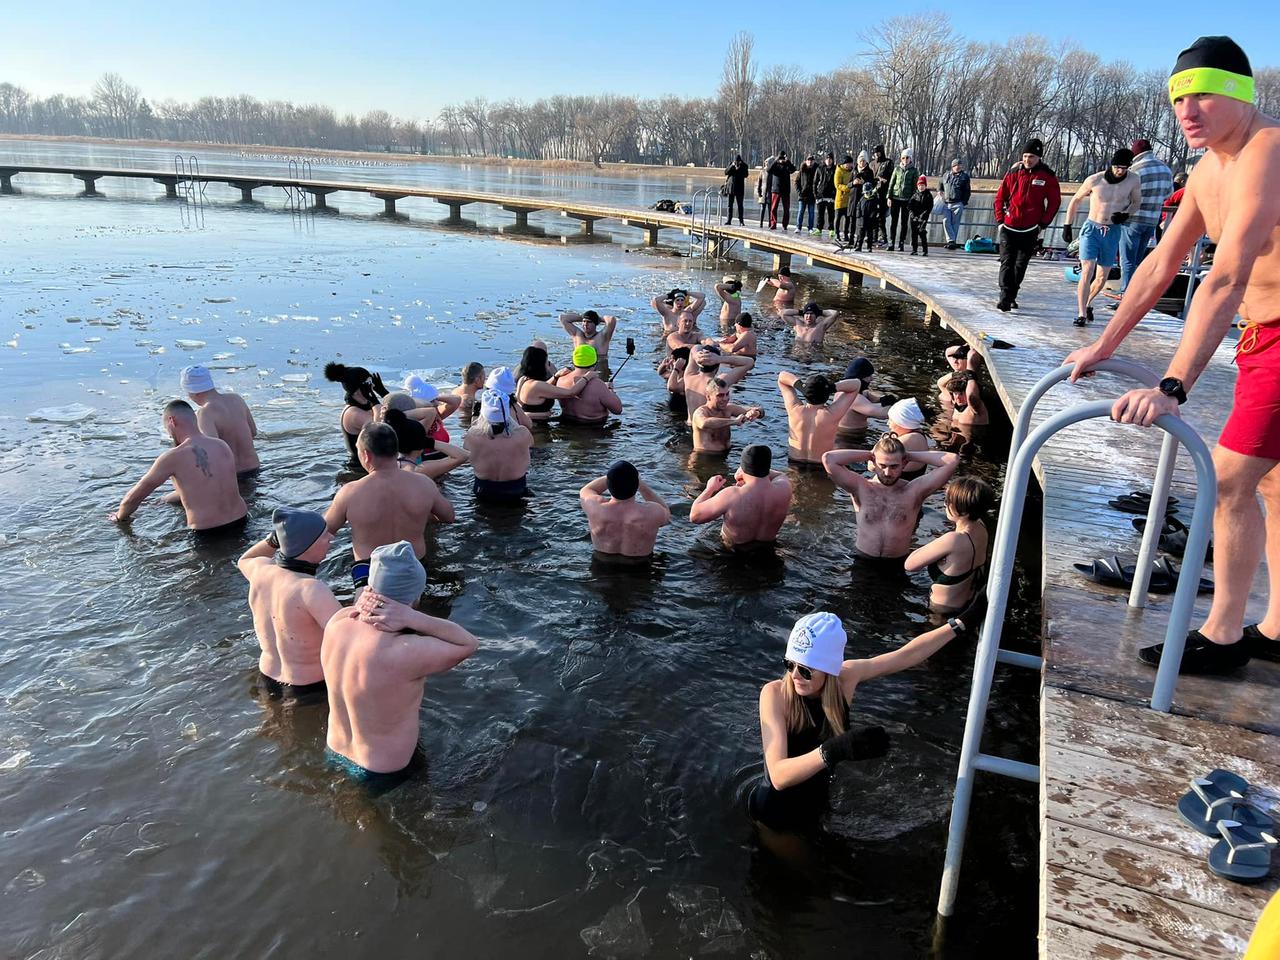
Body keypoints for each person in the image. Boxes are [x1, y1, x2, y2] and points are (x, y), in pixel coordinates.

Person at [1065, 35, 1280, 674]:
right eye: (1180, 98)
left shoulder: (1267, 151)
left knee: (1228, 482)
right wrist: (1103, 345)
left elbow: (1227, 274)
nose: (1188, 110)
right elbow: (1162, 263)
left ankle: (1222, 637)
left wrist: (1174, 385)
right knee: (1271, 482)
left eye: (1205, 94)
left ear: (1242, 92)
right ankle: (1275, 629)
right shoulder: (1210, 166)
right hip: (1261, 337)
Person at [749, 608, 982, 833]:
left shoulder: (845, 678)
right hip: (775, 811)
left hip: (817, 804)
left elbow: (906, 655)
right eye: (789, 664)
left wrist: (961, 622)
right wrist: (834, 750)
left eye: (806, 670)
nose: (795, 675)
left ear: (829, 668)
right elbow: (778, 776)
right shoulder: (775, 694)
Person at [322, 540, 479, 787]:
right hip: (383, 769)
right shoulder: (404, 652)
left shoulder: (337, 624)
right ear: (415, 598)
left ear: (370, 590)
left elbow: (359, 607)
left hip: (334, 750)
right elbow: (468, 644)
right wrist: (413, 618)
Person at [324, 422, 454, 595]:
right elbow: (449, 516)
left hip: (369, 570)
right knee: (412, 613)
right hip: (413, 563)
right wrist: (420, 514)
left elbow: (325, 531)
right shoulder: (424, 484)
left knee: (367, 614)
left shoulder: (350, 492)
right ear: (395, 449)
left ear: (366, 455)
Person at [237, 507, 340, 705]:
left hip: (267, 677)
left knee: (276, 730)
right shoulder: (310, 589)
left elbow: (245, 559)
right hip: (309, 686)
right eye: (324, 535)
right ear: (308, 545)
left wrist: (274, 540)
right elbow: (348, 634)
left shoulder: (260, 572)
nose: (331, 539)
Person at [110, 399, 248, 535]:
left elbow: (134, 497)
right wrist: (163, 500)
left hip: (208, 532)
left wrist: (119, 517)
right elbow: (210, 486)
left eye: (166, 429)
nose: (169, 435)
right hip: (242, 520)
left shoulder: (173, 457)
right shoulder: (221, 445)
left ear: (172, 421)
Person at [821, 435, 959, 558]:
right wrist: (870, 454)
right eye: (882, 465)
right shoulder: (861, 488)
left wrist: (908, 455)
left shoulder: (914, 491)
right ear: (874, 462)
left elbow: (952, 460)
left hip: (897, 564)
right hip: (863, 559)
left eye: (894, 466)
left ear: (904, 464)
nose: (887, 472)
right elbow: (829, 459)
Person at [1061, 149, 1143, 326]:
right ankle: (1081, 313)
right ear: (1111, 165)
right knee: (1087, 269)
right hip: (1092, 228)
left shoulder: (1133, 180)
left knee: (1101, 278)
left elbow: (1137, 202)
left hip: (1112, 230)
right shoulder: (1095, 179)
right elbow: (1076, 199)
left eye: (1123, 168)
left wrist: (1125, 214)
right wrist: (1068, 224)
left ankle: (1088, 303)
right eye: (1117, 167)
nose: (1119, 171)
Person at [905, 477, 995, 612]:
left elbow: (910, 565)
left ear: (963, 510)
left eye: (948, 501)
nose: (944, 504)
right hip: (966, 602)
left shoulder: (954, 540)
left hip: (940, 610)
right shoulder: (981, 526)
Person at [993, 138, 1062, 312]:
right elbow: (1000, 198)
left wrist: (1043, 224)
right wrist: (1000, 221)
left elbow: (1054, 202)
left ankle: (1012, 295)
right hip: (1009, 226)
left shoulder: (1047, 176)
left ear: (1039, 157)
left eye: (1031, 156)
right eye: (1025, 156)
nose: (1027, 160)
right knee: (1006, 262)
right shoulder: (1014, 173)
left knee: (1020, 264)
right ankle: (1004, 297)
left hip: (1031, 229)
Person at [690, 444, 792, 549]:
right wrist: (750, 470)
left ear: (743, 468)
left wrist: (710, 488)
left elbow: (695, 516)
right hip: (768, 551)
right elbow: (779, 475)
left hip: (732, 553)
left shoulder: (732, 494)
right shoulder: (784, 487)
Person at [579, 460, 672, 561]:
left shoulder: (594, 507)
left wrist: (613, 476)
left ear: (609, 484)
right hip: (640, 567)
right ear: (636, 485)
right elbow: (666, 512)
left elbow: (586, 489)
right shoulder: (654, 512)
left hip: (601, 564)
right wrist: (642, 486)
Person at [181, 364, 259, 479]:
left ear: (194, 392)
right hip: (255, 467)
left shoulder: (205, 413)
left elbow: (213, 450)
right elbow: (253, 432)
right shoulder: (237, 399)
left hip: (233, 474)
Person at [1119, 139, 1175, 295]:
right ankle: (1137, 292)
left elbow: (1124, 195)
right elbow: (1168, 194)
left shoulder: (1135, 170)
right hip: (1152, 220)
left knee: (1127, 260)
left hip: (1132, 219)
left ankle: (1126, 294)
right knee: (1139, 261)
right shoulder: (1165, 169)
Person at [777, 371, 865, 465]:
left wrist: (800, 386)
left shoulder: (794, 410)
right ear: (826, 395)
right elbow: (856, 384)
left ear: (805, 393)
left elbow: (782, 377)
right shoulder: (832, 414)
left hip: (794, 463)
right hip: (821, 465)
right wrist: (831, 387)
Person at [465, 389, 534, 503]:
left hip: (483, 490)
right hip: (516, 489)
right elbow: (530, 444)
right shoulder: (522, 433)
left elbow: (466, 451)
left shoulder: (473, 435)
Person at [324, 361, 390, 465]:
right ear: (357, 389)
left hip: (375, 462)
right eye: (368, 383)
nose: (372, 385)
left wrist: (384, 393)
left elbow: (398, 416)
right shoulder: (354, 413)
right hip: (360, 468)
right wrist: (375, 401)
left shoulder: (366, 404)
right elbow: (381, 430)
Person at [385, 408, 470, 481]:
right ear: (421, 446)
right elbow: (463, 456)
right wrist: (429, 442)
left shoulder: (383, 466)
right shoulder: (421, 470)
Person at [515, 345, 591, 421]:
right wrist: (587, 377)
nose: (548, 365)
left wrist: (556, 376)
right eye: (546, 362)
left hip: (532, 423)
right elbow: (570, 393)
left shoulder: (524, 379)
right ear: (539, 366)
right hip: (538, 428)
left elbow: (543, 388)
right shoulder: (537, 385)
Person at [691, 377, 765, 453]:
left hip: (727, 453)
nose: (725, 398)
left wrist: (756, 412)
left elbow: (760, 409)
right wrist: (734, 421)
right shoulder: (700, 412)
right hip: (705, 457)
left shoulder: (729, 408)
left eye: (727, 394)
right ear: (708, 397)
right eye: (720, 395)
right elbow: (704, 423)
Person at [681, 345, 754, 422]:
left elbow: (695, 348)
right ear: (717, 365)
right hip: (710, 429)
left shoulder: (689, 376)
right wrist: (719, 359)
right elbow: (749, 362)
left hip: (690, 426)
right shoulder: (717, 383)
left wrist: (697, 356)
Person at [559, 345, 622, 425]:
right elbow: (617, 410)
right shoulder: (598, 385)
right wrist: (610, 390)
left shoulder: (561, 379)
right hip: (594, 429)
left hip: (566, 424)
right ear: (595, 363)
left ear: (574, 362)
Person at [835, 357, 896, 434]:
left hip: (856, 432)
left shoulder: (846, 389)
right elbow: (882, 413)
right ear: (859, 377)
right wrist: (900, 407)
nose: (871, 379)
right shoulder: (852, 397)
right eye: (869, 376)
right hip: (848, 437)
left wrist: (881, 399)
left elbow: (867, 394)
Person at [885, 397, 933, 479]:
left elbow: (871, 466)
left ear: (903, 422)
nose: (887, 423)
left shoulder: (908, 440)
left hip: (897, 489)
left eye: (891, 420)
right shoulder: (918, 435)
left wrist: (882, 442)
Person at [886, 148, 919, 252]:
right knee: (894, 222)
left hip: (907, 199)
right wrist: (889, 197)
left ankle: (901, 242)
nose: (905, 160)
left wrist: (913, 199)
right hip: (895, 198)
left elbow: (915, 186)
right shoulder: (897, 169)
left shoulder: (914, 170)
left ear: (910, 159)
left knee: (904, 222)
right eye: (903, 158)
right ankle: (891, 242)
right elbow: (891, 183)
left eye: (907, 158)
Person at [940, 158, 971, 250]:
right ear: (952, 166)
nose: (958, 167)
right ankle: (951, 241)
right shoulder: (946, 175)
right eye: (956, 165)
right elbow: (940, 185)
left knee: (955, 223)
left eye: (959, 165)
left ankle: (951, 241)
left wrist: (963, 202)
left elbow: (967, 191)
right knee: (946, 221)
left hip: (958, 203)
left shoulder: (965, 177)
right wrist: (939, 192)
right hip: (946, 203)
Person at [872, 145, 894, 247]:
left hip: (883, 193)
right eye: (875, 153)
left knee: (881, 217)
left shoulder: (888, 163)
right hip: (873, 194)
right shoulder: (872, 164)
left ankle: (883, 238)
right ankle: (873, 237)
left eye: (878, 152)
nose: (876, 154)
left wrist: (884, 181)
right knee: (873, 217)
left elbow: (892, 178)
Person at [768, 151, 796, 230]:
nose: (781, 160)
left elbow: (793, 169)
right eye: (780, 158)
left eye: (782, 158)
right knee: (773, 208)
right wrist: (775, 161)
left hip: (785, 190)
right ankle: (773, 224)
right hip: (776, 190)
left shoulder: (787, 165)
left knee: (786, 209)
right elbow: (768, 170)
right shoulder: (775, 165)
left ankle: (785, 225)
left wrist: (788, 161)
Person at [908, 174, 934, 256]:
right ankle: (914, 250)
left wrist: (922, 216)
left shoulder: (928, 195)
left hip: (923, 218)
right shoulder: (914, 195)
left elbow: (929, 208)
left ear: (925, 186)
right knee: (914, 234)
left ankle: (925, 250)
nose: (921, 187)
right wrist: (912, 215)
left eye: (922, 185)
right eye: (919, 185)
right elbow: (909, 206)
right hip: (914, 218)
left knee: (922, 232)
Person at [833, 155, 856, 244]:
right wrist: (848, 188)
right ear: (845, 164)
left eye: (851, 164)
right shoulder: (838, 171)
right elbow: (837, 185)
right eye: (849, 164)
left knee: (847, 218)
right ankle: (836, 233)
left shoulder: (852, 172)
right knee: (838, 217)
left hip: (849, 199)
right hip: (840, 198)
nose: (850, 165)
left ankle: (846, 234)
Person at [815, 152, 838, 239]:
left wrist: (835, 194)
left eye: (830, 159)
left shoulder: (835, 169)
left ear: (832, 160)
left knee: (831, 213)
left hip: (831, 195)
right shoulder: (820, 169)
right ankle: (819, 229)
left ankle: (831, 229)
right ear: (825, 160)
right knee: (820, 214)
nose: (829, 160)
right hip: (821, 194)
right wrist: (816, 194)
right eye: (827, 159)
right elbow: (815, 182)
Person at [795, 155, 818, 234]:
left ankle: (810, 228)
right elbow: (797, 182)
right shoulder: (802, 170)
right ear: (806, 161)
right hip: (803, 195)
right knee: (801, 211)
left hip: (812, 195)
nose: (810, 162)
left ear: (814, 161)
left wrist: (816, 193)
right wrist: (799, 192)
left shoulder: (816, 170)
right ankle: (798, 227)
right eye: (808, 160)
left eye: (811, 160)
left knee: (811, 212)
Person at [724, 154, 750, 225]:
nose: (737, 163)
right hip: (731, 188)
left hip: (739, 188)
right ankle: (729, 220)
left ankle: (741, 220)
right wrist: (732, 166)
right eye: (736, 162)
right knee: (729, 205)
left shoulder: (744, 166)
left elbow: (746, 175)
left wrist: (740, 167)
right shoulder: (731, 165)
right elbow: (726, 172)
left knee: (740, 205)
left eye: (738, 162)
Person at [854, 179, 879, 252]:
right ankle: (859, 246)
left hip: (870, 220)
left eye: (868, 192)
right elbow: (858, 207)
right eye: (866, 192)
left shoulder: (874, 199)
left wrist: (872, 216)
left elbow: (875, 209)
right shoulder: (862, 199)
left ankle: (869, 247)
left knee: (869, 235)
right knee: (860, 234)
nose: (867, 194)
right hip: (862, 219)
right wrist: (858, 215)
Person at [757, 154, 774, 228]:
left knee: (770, 209)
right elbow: (759, 182)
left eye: (768, 162)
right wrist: (759, 191)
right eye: (766, 162)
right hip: (763, 191)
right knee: (762, 208)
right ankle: (761, 223)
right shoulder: (762, 171)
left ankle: (770, 223)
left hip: (770, 192)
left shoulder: (773, 172)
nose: (766, 163)